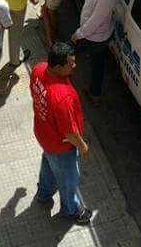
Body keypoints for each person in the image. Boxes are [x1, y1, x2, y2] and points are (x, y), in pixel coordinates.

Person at [30, 42, 92, 224]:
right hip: (61, 145)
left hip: (43, 133)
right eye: (70, 64)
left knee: (49, 164)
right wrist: (82, 146)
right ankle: (71, 209)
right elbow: (69, 131)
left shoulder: (38, 69)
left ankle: (44, 193)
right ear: (58, 67)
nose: (74, 66)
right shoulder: (62, 96)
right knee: (68, 179)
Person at [71, 0, 116, 104]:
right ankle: (95, 93)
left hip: (94, 37)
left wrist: (78, 34)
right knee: (98, 64)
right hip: (99, 35)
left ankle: (57, 79)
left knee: (66, 52)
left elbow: (94, 22)